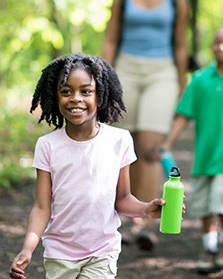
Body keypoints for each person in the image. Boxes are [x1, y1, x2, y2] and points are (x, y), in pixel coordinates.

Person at [9, 53, 167, 279]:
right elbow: (42, 207)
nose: (76, 98)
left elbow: (121, 199)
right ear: (56, 98)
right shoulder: (47, 145)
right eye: (66, 91)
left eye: (86, 91)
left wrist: (145, 209)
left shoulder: (119, 141)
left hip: (102, 252)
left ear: (100, 96)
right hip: (59, 254)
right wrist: (28, 248)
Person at [102, 0, 188, 249]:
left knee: (152, 148)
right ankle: (126, 214)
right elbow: (111, 38)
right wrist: (104, 76)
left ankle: (147, 223)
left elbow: (180, 44)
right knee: (127, 145)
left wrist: (181, 83)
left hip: (161, 71)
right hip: (126, 69)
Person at [162, 26, 223, 273]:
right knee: (203, 204)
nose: (221, 48)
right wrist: (168, 141)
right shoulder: (200, 80)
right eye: (217, 43)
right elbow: (184, 114)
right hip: (205, 155)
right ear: (211, 46)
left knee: (221, 200)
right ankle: (209, 247)